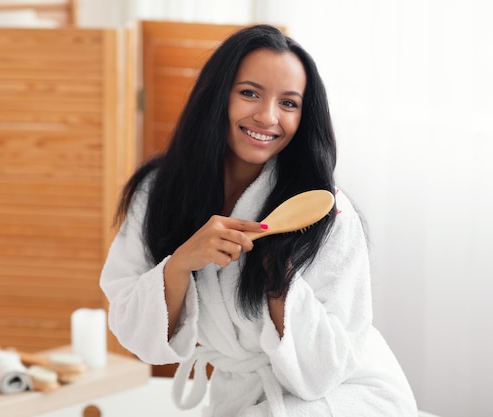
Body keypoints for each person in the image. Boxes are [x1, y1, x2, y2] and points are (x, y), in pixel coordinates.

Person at [100, 24, 418, 417]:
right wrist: (181, 263)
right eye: (250, 93)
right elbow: (135, 332)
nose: (268, 117)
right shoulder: (157, 191)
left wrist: (277, 280)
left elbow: (324, 372)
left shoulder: (327, 212)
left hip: (347, 393)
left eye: (289, 103)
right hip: (242, 394)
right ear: (218, 96)